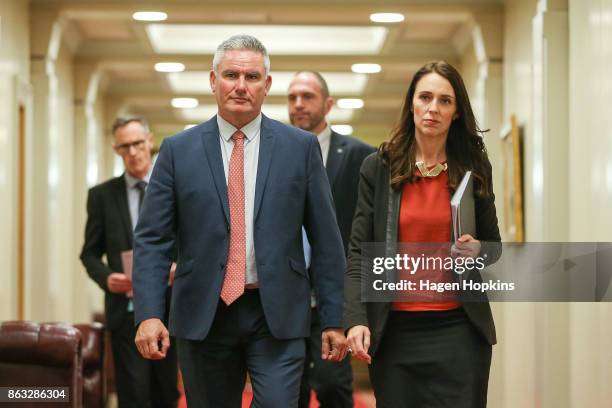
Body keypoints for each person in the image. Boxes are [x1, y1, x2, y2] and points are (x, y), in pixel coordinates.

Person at [132, 35, 348, 408]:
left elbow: (327, 241)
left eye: (252, 77)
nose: (241, 86)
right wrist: (149, 313)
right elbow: (153, 240)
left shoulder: (300, 148)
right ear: (214, 81)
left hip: (277, 313)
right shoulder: (176, 151)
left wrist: (333, 318)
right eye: (231, 74)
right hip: (204, 313)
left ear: (267, 85)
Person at [344, 61, 502, 408]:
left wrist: (478, 250)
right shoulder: (379, 167)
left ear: (457, 111)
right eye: (425, 97)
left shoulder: (474, 168)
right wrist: (355, 319)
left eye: (445, 101)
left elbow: (495, 248)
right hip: (395, 332)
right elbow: (358, 252)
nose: (433, 108)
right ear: (411, 104)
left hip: (460, 331)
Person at [288, 71, 375, 408]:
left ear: (328, 104)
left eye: (307, 96)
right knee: (286, 390)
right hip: (285, 295)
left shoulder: (360, 156)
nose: (298, 104)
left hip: (334, 295)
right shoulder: (272, 153)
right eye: (292, 97)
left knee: (331, 386)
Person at [80, 117, 179, 408]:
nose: (133, 152)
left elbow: (192, 242)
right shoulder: (102, 196)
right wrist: (106, 277)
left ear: (149, 141)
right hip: (125, 311)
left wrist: (179, 267)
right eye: (125, 147)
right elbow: (89, 253)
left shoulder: (174, 188)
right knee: (133, 393)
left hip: (171, 305)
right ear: (116, 149)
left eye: (138, 143)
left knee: (166, 392)